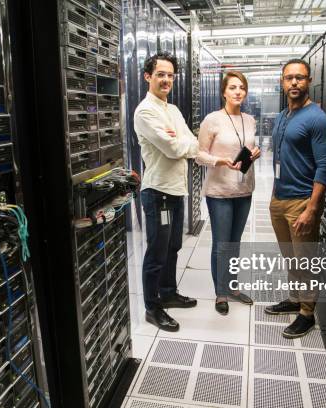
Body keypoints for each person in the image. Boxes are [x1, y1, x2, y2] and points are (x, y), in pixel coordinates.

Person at [265, 59, 326, 338]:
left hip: (302, 202)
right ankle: (294, 299)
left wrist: (312, 209)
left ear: (309, 81)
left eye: (300, 78)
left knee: (304, 259)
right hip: (279, 198)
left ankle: (307, 312)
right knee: (290, 257)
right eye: (289, 78)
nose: (294, 83)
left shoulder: (318, 119)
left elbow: (325, 165)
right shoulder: (283, 115)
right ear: (282, 82)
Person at [134, 52, 199, 332]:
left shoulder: (172, 111)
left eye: (170, 75)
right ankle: (152, 306)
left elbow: (191, 143)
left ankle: (168, 292)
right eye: (161, 74)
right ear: (148, 77)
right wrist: (182, 143)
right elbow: (174, 149)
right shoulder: (145, 111)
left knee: (173, 246)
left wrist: (183, 142)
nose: (166, 80)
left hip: (176, 190)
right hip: (157, 192)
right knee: (157, 251)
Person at [196, 71, 261, 315]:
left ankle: (232, 286)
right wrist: (219, 160)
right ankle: (221, 292)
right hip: (220, 191)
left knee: (235, 243)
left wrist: (256, 153)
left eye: (242, 87)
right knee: (222, 244)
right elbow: (199, 154)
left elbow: (250, 147)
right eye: (233, 87)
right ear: (224, 92)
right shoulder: (212, 120)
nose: (238, 92)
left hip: (244, 189)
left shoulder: (250, 119)